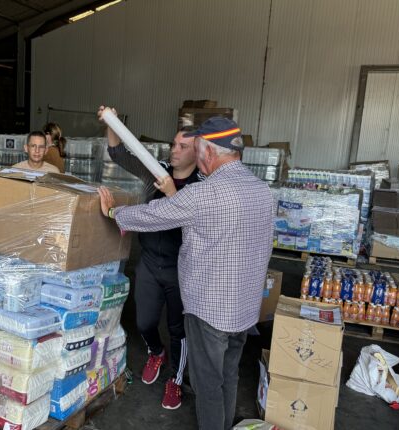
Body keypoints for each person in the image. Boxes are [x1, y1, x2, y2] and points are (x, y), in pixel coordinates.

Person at [97, 116, 274, 430]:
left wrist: (113, 212)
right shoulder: (261, 190)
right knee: (228, 376)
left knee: (208, 384)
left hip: (210, 312)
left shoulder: (204, 194)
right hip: (245, 310)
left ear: (206, 152)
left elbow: (153, 215)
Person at [99, 106, 204, 410]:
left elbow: (195, 223)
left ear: (197, 153)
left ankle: (175, 380)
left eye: (183, 147)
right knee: (144, 322)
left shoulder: (202, 186)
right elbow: (119, 154)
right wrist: (112, 121)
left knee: (177, 329)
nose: (175, 151)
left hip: (180, 268)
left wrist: (173, 193)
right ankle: (155, 352)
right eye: (174, 144)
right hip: (148, 262)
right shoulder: (156, 170)